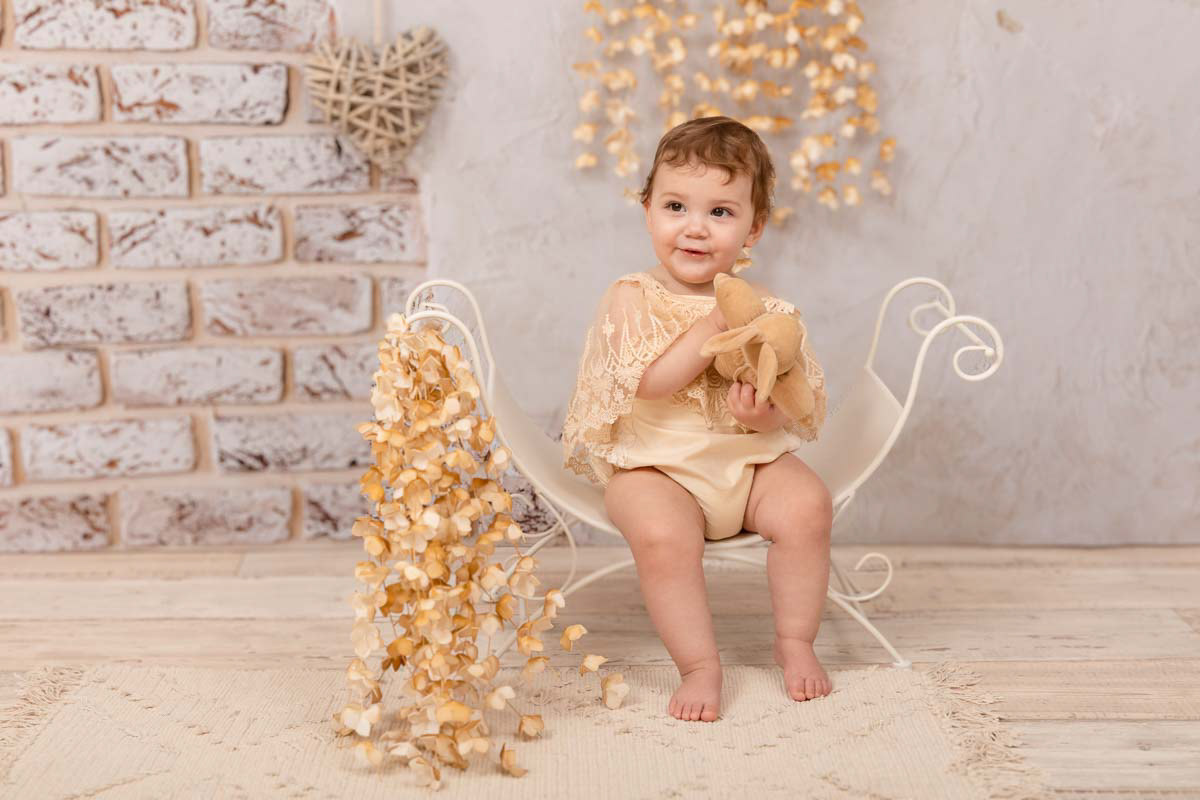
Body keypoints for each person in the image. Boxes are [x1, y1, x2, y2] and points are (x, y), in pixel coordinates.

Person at [560, 116, 834, 723]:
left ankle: (795, 640)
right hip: (655, 466)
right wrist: (711, 325)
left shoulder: (767, 312)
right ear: (648, 211)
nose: (694, 227)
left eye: (720, 212)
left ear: (753, 228)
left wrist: (760, 416)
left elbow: (793, 401)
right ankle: (699, 665)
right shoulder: (632, 296)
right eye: (676, 206)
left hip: (747, 464)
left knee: (809, 505)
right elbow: (648, 382)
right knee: (661, 534)